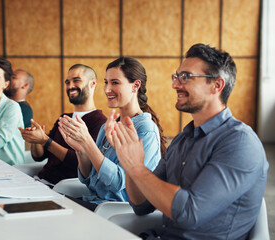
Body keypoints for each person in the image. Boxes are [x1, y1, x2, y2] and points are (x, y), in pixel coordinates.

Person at [110, 44, 269, 239]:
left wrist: (137, 168)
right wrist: (128, 162)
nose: (175, 85)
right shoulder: (182, 140)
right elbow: (141, 205)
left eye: (185, 77)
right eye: (176, 77)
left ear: (217, 85)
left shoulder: (240, 143)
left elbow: (189, 213)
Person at [58, 57, 166, 211]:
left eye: (115, 82)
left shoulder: (145, 129)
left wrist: (88, 142)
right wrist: (81, 150)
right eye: (106, 82)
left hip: (113, 211)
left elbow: (117, 183)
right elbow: (88, 180)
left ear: (135, 86)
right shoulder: (107, 126)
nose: (107, 89)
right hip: (94, 203)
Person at [19, 64, 107, 185]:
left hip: (64, 188)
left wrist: (45, 141)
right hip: (40, 181)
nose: (70, 86)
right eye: (67, 82)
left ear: (93, 83)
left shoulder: (100, 122)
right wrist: (36, 140)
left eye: (76, 80)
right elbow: (40, 156)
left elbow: (80, 163)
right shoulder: (64, 117)